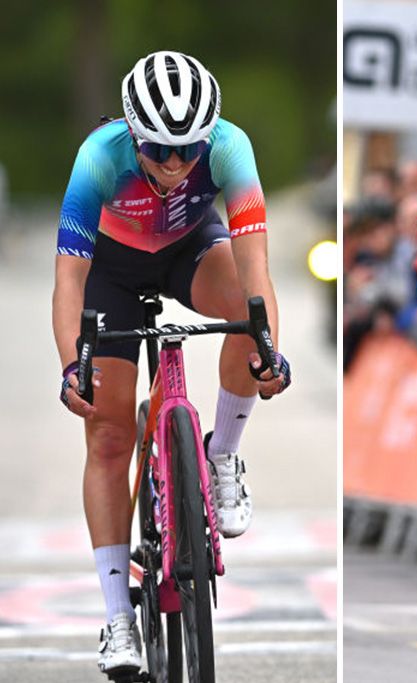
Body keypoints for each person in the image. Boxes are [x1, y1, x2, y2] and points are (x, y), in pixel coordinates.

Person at [53, 51, 291, 677]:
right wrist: (70, 365)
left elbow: (256, 264)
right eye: (159, 149)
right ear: (133, 132)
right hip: (110, 271)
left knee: (250, 310)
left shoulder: (230, 147)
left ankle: (220, 455)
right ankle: (117, 619)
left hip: (189, 250)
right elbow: (69, 281)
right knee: (107, 432)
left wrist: (267, 344)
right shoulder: (99, 157)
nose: (176, 164)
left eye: (189, 149)